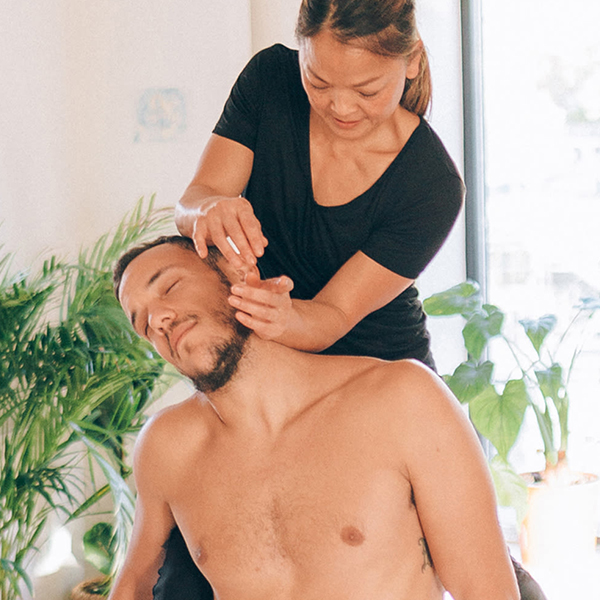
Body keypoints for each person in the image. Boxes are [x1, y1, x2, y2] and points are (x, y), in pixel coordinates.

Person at [108, 235, 520, 600]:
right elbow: (132, 587)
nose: (157, 319)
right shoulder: (168, 445)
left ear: (238, 273)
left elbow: (485, 590)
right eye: (141, 321)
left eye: (169, 287)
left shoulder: (402, 400)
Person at [175, 0, 464, 368]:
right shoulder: (269, 81)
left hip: (381, 371)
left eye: (366, 91)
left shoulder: (431, 186)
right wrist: (207, 210)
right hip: (276, 364)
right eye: (318, 81)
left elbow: (334, 315)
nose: (340, 107)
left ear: (413, 61)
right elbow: (194, 199)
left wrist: (282, 317)